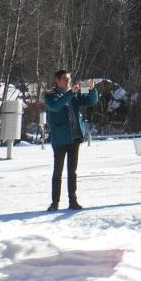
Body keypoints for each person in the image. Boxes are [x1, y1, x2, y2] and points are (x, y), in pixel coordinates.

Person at [44, 70, 99, 211]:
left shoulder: (74, 92)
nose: (68, 81)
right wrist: (71, 93)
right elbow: (55, 106)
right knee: (58, 171)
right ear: (57, 80)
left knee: (72, 171)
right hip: (60, 138)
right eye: (64, 79)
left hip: (75, 137)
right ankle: (55, 202)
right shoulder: (50, 94)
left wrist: (92, 89)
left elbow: (92, 100)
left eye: (69, 78)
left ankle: (73, 200)